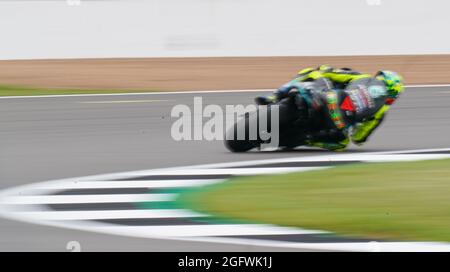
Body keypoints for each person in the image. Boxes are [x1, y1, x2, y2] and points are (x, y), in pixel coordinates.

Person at [255, 65, 404, 151]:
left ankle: (274, 96)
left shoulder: (361, 77)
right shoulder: (381, 111)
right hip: (338, 122)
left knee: (311, 72)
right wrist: (355, 122)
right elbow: (359, 139)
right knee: (342, 144)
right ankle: (307, 139)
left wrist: (323, 70)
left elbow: (329, 73)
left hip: (326, 97)